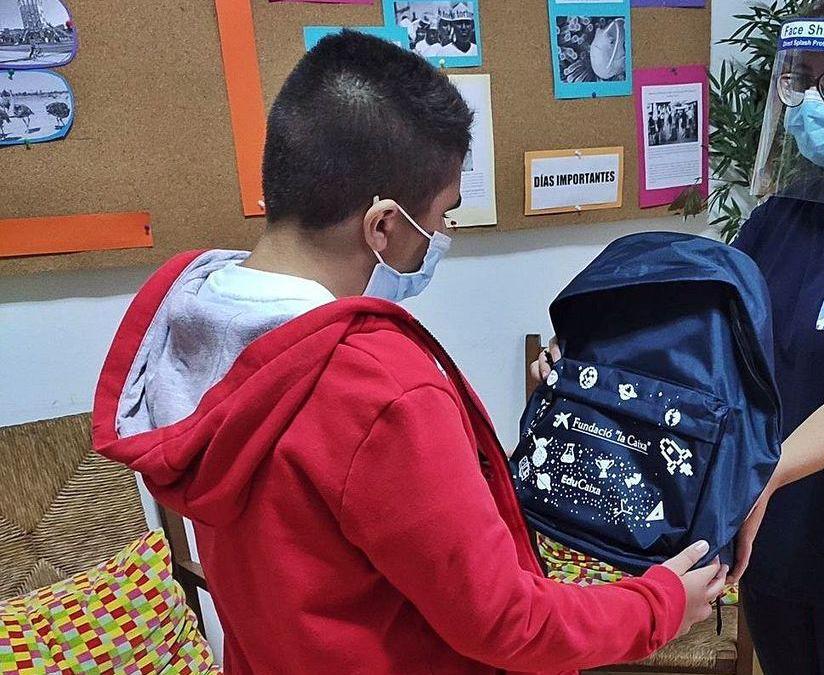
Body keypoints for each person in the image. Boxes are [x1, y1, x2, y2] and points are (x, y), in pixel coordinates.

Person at [92, 31, 726, 675]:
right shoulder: (380, 391)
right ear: (384, 225)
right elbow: (507, 622)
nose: (443, 235)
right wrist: (661, 604)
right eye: (445, 213)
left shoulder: (195, 323)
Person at [536, 2, 824, 674]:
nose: (811, 99)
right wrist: (589, 368)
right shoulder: (779, 218)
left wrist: (762, 474)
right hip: (772, 539)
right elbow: (707, 342)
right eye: (800, 79)